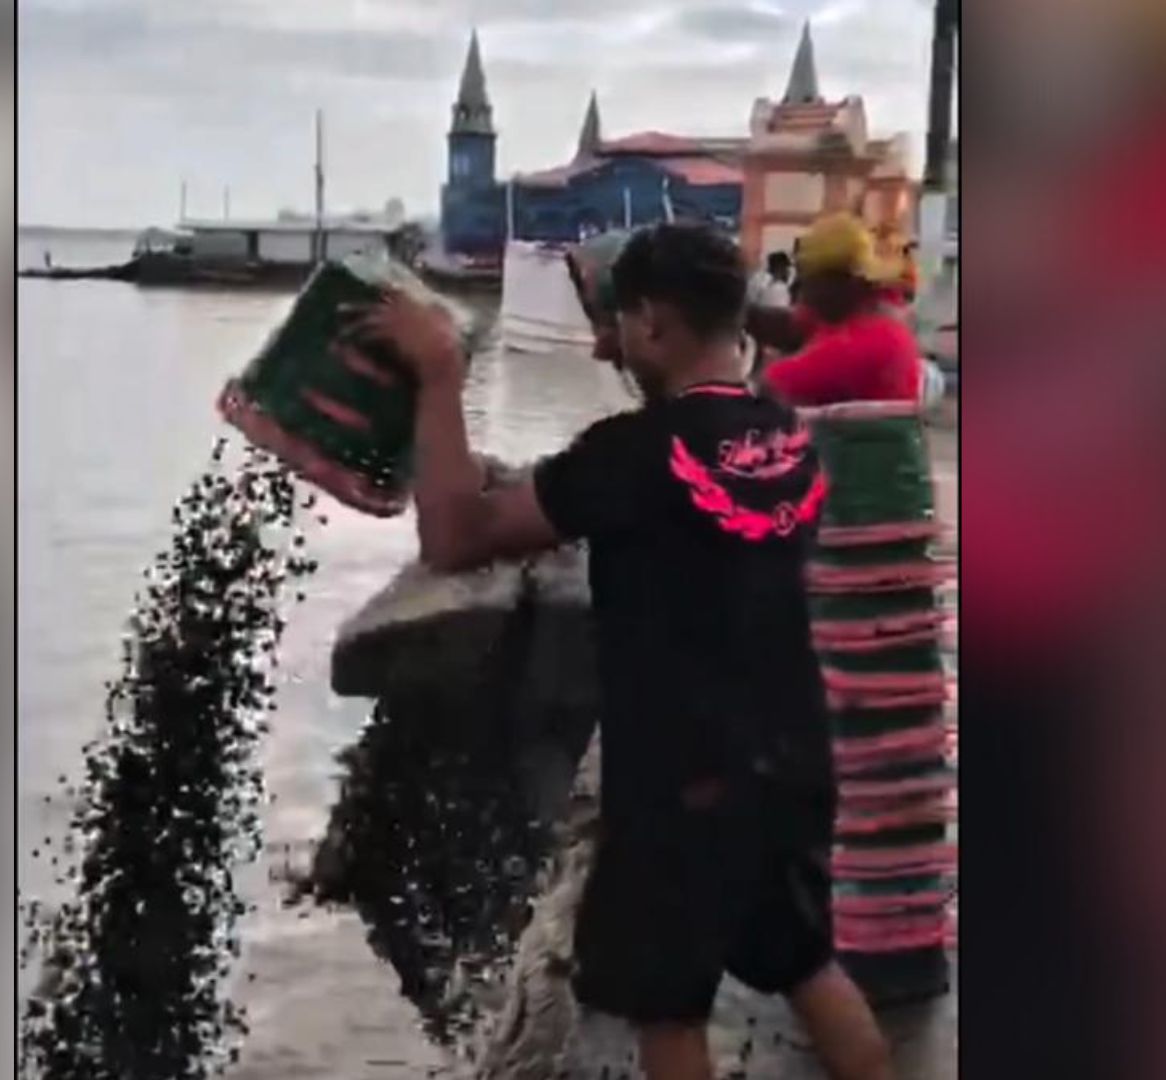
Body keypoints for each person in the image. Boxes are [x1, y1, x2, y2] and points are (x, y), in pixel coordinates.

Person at [347, 223, 893, 1080]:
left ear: (653, 323)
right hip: (793, 762)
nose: (606, 346)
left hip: (684, 788)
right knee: (808, 967)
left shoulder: (631, 456)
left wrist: (441, 373)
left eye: (617, 324)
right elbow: (670, 500)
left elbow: (454, 536)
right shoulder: (785, 436)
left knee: (667, 1011)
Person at [760, 214, 925, 407]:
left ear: (843, 282)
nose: (801, 291)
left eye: (809, 280)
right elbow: (792, 325)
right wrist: (739, 311)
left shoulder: (871, 341)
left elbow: (771, 385)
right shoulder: (856, 314)